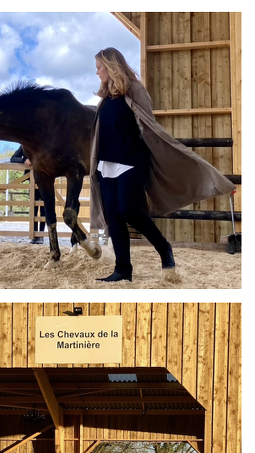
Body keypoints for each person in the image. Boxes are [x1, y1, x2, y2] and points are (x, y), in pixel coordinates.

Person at [89, 47, 234, 283]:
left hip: (131, 161)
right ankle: (123, 270)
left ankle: (164, 247)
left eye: (98, 67)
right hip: (106, 164)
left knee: (129, 210)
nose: (96, 73)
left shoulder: (134, 90)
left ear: (111, 65)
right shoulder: (104, 98)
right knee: (113, 216)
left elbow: (149, 126)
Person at [9, 145, 46, 243]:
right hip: (32, 181)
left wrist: (33, 160)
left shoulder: (43, 143)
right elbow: (13, 158)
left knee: (43, 209)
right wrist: (24, 160)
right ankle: (34, 235)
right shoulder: (24, 146)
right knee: (33, 208)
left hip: (45, 180)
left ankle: (41, 235)